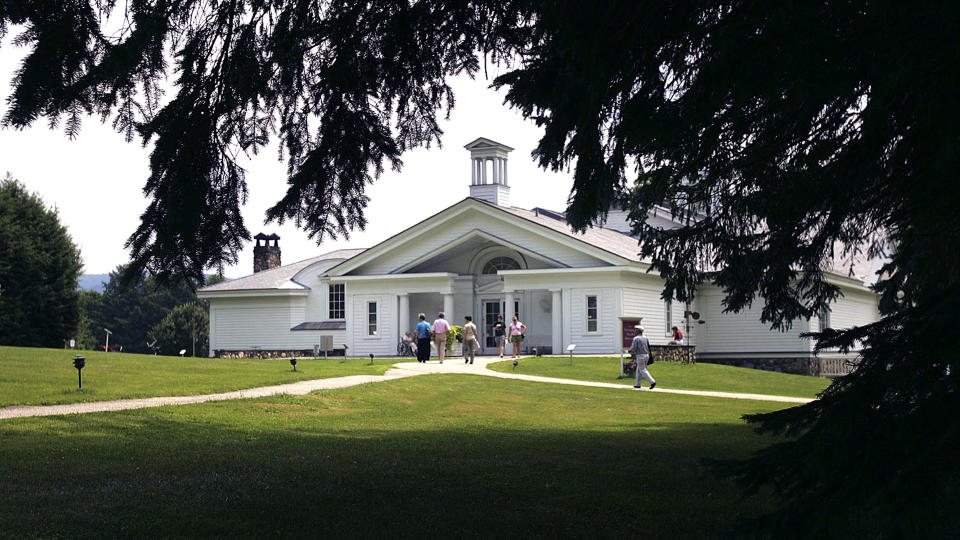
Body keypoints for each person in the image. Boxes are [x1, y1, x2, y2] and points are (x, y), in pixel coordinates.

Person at [630, 325, 656, 389]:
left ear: (638, 331)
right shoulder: (645, 338)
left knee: (642, 370)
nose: (634, 331)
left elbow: (633, 348)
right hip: (646, 355)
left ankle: (652, 381)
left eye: (635, 330)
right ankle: (637, 384)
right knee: (639, 370)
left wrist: (630, 350)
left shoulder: (636, 338)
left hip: (640, 355)